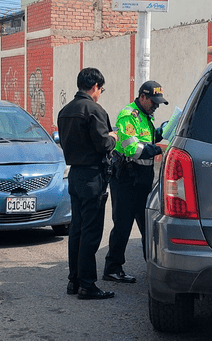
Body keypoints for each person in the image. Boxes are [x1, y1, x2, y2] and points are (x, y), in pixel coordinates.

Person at [57, 68, 118, 300]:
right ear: (95, 87)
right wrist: (113, 137)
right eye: (101, 89)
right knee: (91, 233)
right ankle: (87, 285)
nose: (100, 93)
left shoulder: (65, 111)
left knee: (77, 230)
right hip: (93, 176)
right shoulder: (94, 110)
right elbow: (103, 144)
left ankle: (74, 281)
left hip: (75, 174)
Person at [103, 80, 167, 284]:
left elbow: (145, 139)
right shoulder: (128, 115)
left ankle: (153, 266)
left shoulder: (146, 116)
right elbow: (133, 148)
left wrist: (160, 133)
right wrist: (158, 149)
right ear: (142, 97)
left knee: (147, 225)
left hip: (142, 178)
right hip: (126, 179)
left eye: (158, 102)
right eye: (153, 101)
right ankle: (112, 268)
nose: (156, 105)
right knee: (122, 225)